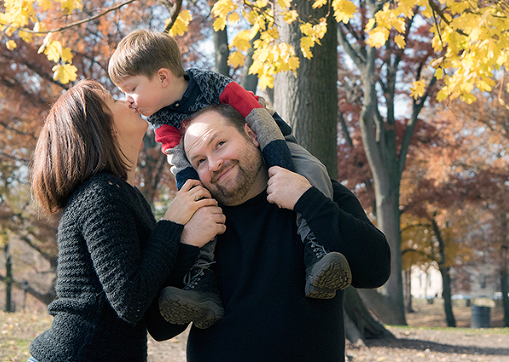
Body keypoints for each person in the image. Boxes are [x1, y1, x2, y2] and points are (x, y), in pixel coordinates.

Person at [108, 30, 352, 329]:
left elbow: (259, 121)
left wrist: (281, 168)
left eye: (130, 88)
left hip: (271, 141)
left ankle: (316, 247)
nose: (128, 100)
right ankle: (201, 281)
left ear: (162, 77)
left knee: (312, 170)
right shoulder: (161, 121)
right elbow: (181, 166)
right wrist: (196, 202)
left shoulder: (212, 84)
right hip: (213, 172)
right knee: (201, 214)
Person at [162, 103, 391, 362]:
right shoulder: (194, 222)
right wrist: (188, 244)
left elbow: (376, 270)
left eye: (220, 144)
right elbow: (161, 327)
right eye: (200, 161)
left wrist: (307, 200)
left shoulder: (316, 191)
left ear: (252, 134)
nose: (214, 164)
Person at [26, 80, 226, 362]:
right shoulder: (100, 195)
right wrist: (171, 223)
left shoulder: (126, 196)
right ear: (100, 128)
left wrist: (188, 242)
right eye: (113, 100)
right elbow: (130, 302)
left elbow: (156, 322)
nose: (129, 101)